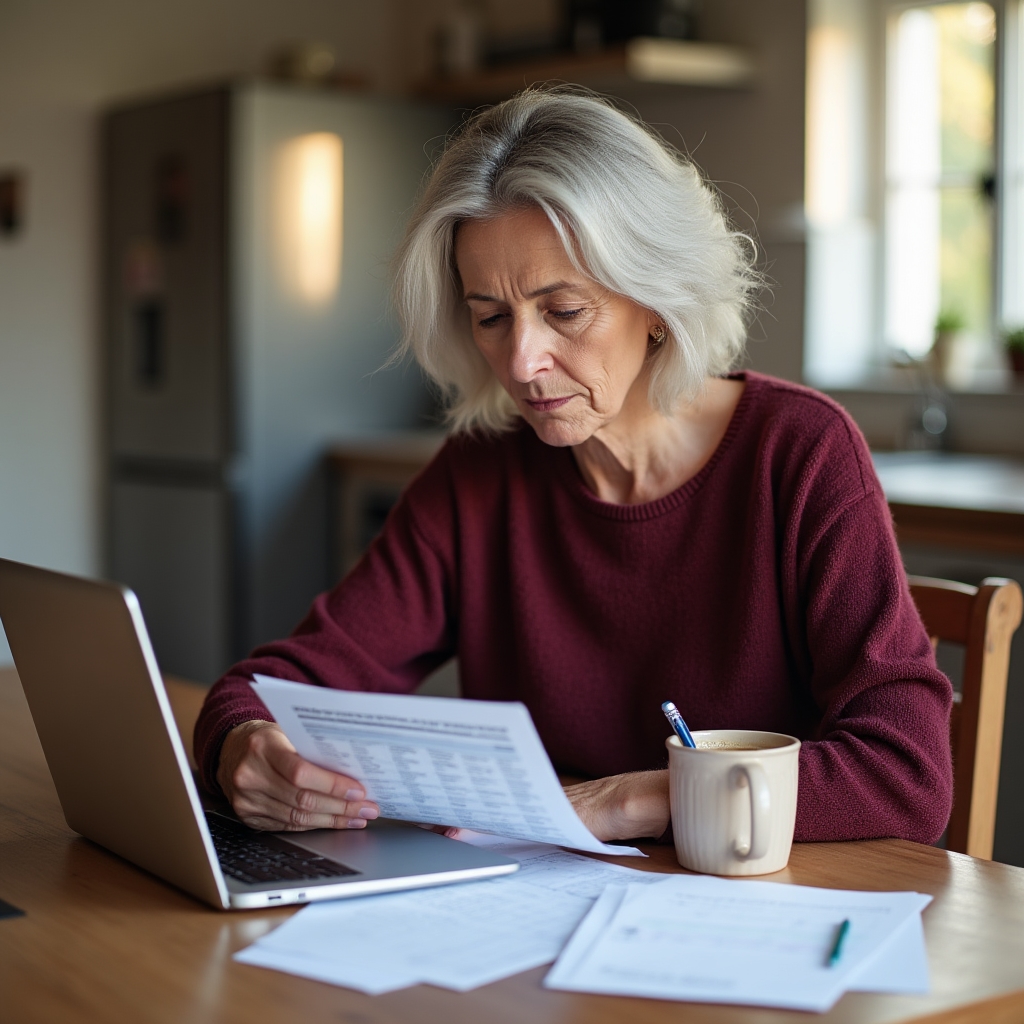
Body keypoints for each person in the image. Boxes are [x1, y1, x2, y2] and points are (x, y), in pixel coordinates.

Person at [194, 86, 953, 845]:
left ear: (657, 301)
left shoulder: (799, 452)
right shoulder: (479, 475)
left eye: (563, 311)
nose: (522, 363)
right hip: (543, 908)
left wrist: (623, 802)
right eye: (490, 316)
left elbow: (907, 772)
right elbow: (274, 687)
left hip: (759, 912)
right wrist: (244, 746)